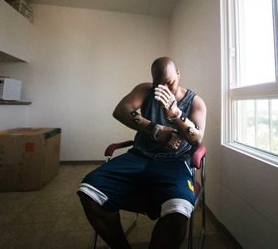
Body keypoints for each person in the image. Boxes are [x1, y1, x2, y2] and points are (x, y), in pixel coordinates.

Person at [77, 57, 207, 249]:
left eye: (169, 83)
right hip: (138, 156)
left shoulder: (195, 102)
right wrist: (155, 130)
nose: (164, 90)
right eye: (158, 84)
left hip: (174, 162)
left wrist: (176, 114)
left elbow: (196, 139)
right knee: (88, 191)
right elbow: (121, 110)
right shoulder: (145, 90)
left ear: (178, 73)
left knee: (179, 211)